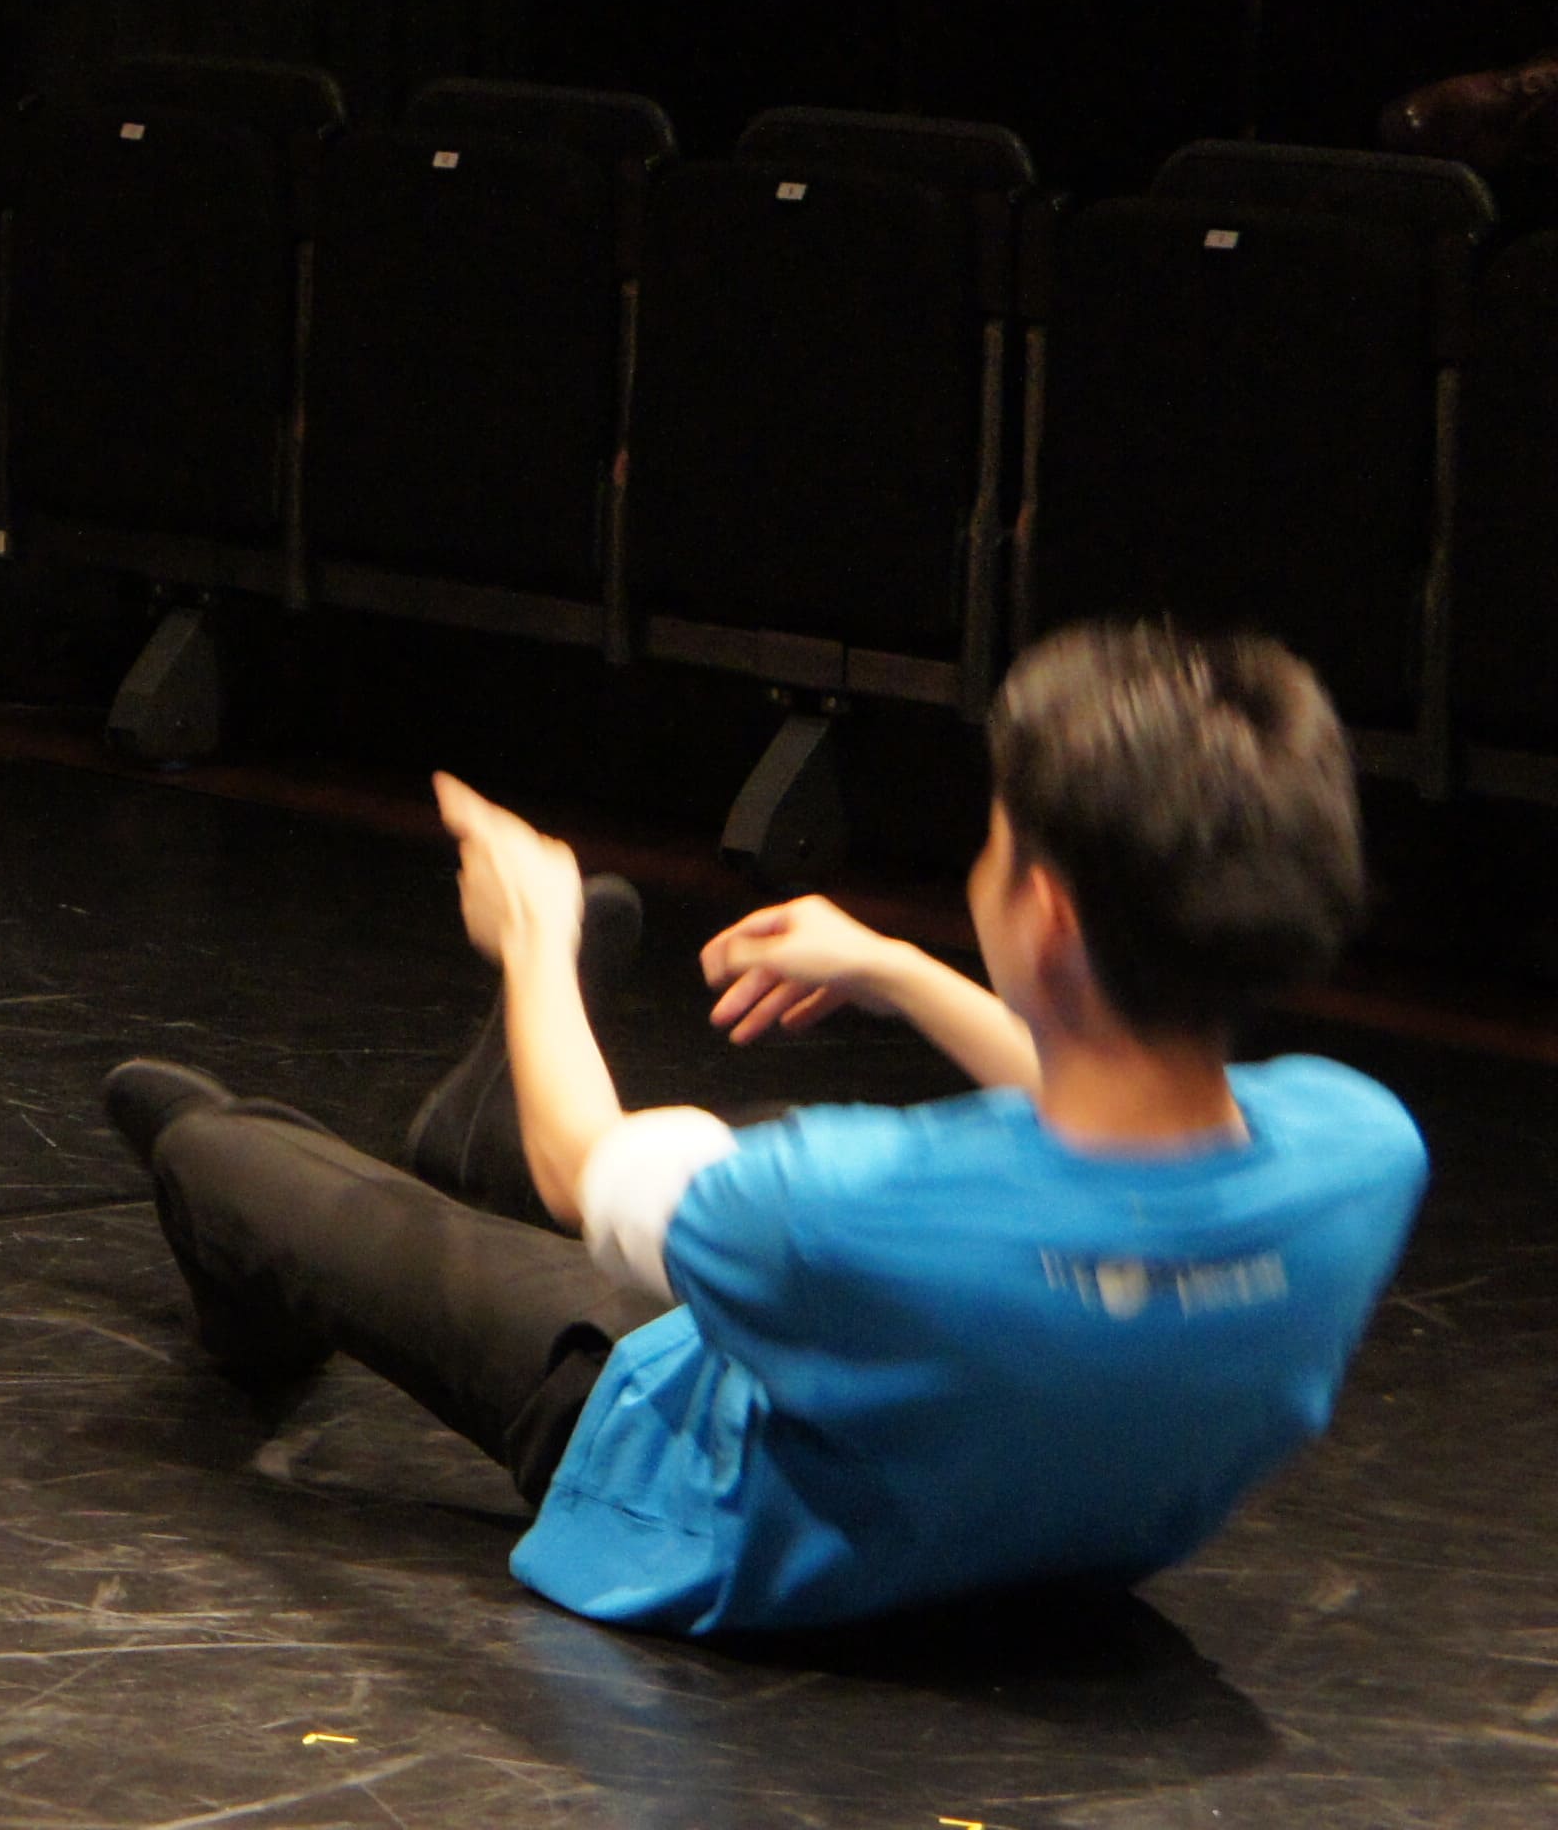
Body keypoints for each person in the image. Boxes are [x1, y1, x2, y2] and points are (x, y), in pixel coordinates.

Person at [103, 621, 1427, 1637]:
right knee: (752, 1170)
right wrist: (901, 973)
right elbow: (1114, 1111)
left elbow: (586, 1167)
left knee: (264, 1174)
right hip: (1032, 1531)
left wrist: (537, 941)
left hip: (706, 1497)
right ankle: (477, 1121)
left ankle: (249, 1271)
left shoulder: (841, 1203)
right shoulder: (1361, 1151)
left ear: (1050, 914)